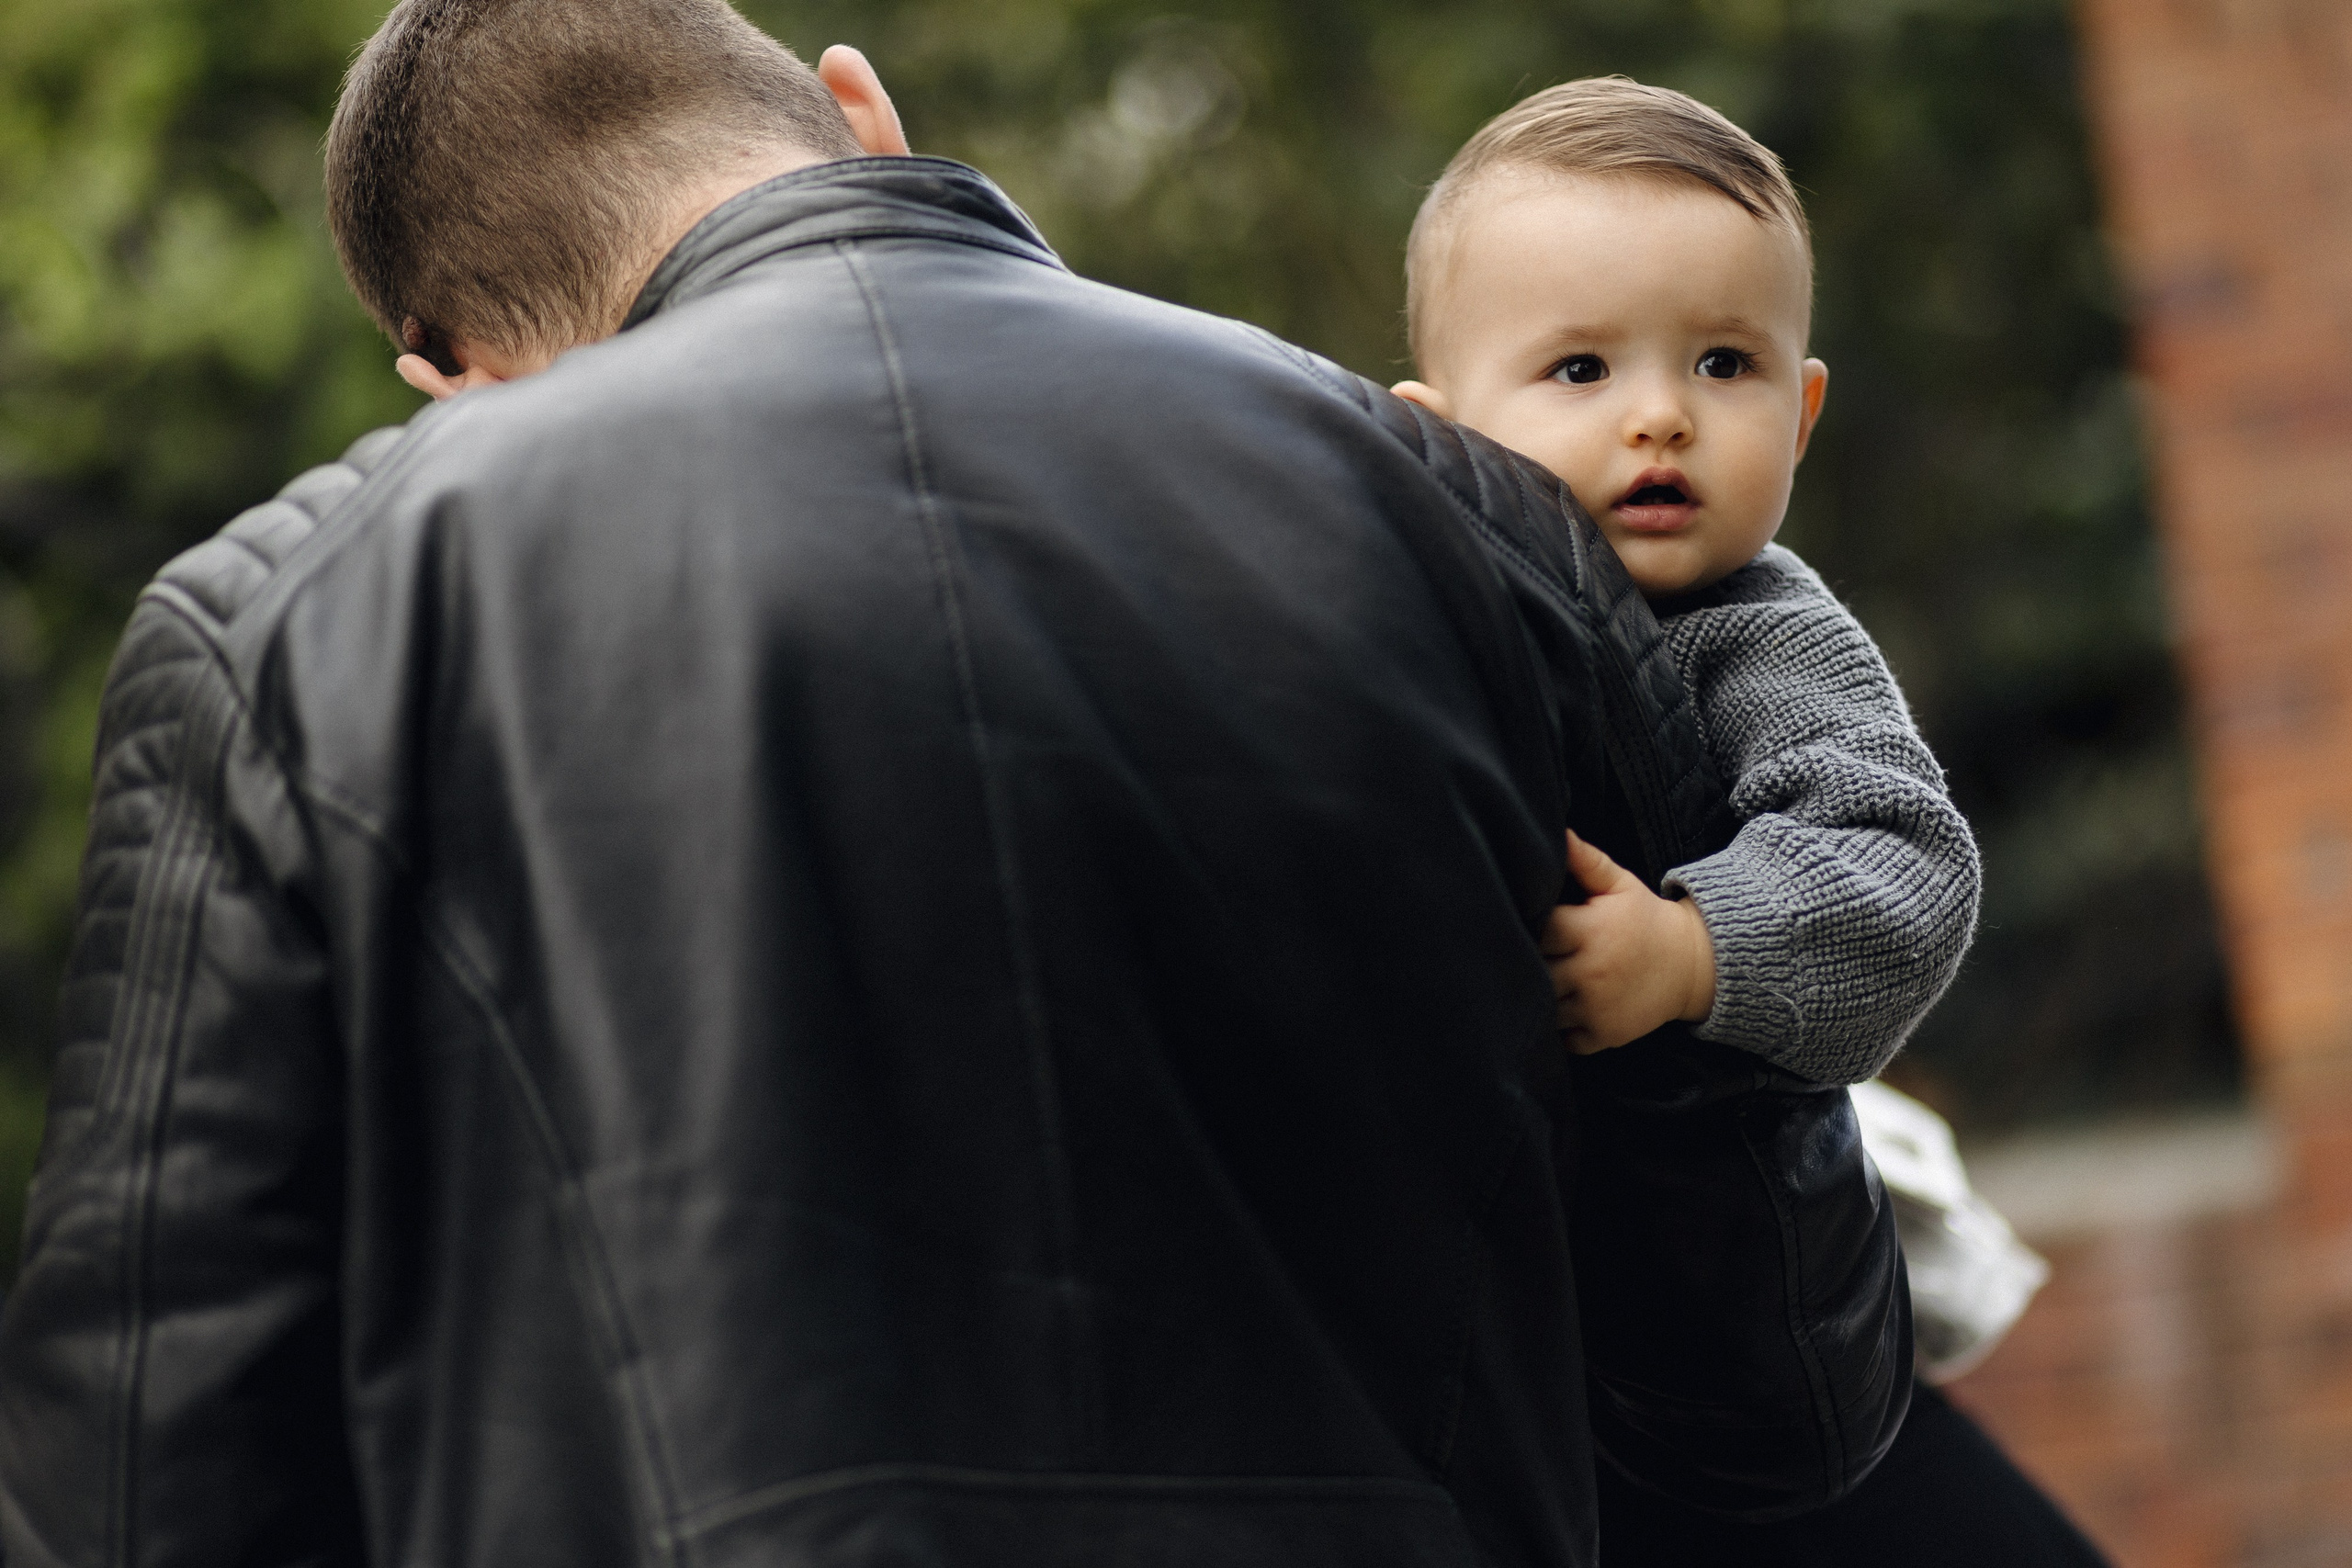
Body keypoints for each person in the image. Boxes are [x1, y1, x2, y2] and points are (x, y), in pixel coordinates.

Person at [0, 6, 1909, 1565]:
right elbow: (1775, 1392)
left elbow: (148, 1482)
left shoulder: (293, 616)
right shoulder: (1466, 516)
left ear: (457, 380)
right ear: (858, 104)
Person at [1391, 78, 2107, 1565]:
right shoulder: (1407, 625)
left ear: (1802, 406)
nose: (1660, 413)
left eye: (1724, 362)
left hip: (1738, 1326)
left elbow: (1902, 868)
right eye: (1580, 369)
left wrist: (1695, 949)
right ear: (1434, 439)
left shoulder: (1757, 638)